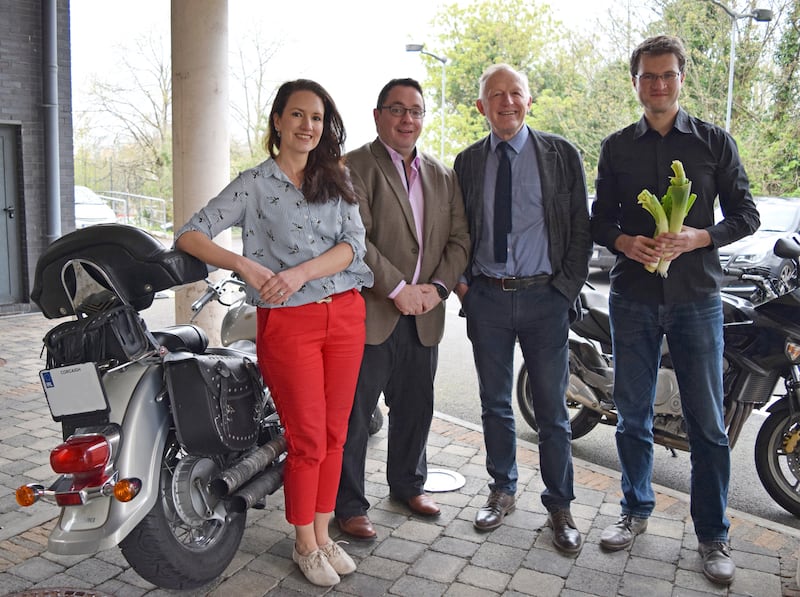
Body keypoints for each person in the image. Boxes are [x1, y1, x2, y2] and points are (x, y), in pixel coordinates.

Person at [175, 79, 374, 587]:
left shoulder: (337, 177)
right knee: (307, 437)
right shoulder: (253, 185)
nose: (309, 126)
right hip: (290, 325)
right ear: (278, 122)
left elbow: (354, 244)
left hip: (346, 315)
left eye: (317, 117)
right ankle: (304, 542)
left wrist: (301, 273)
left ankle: (325, 533)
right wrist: (244, 264)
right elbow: (191, 233)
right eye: (298, 115)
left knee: (337, 433)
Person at [591, 35, 760, 586]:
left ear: (681, 79)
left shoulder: (714, 142)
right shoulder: (617, 147)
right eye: (647, 76)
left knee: (708, 424)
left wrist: (700, 237)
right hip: (632, 299)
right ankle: (635, 510)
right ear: (635, 81)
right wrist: (624, 244)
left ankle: (713, 535)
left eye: (667, 75)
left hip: (696, 300)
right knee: (631, 415)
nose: (657, 85)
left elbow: (748, 214)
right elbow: (600, 219)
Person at [453, 64, 591, 554]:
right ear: (481, 106)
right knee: (494, 404)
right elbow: (458, 229)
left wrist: (564, 291)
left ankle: (560, 504)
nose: (506, 102)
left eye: (515, 94)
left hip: (544, 299)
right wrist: (465, 287)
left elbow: (580, 226)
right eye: (495, 95)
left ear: (529, 101)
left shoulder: (559, 154)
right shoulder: (467, 161)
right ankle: (502, 489)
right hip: (487, 297)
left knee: (553, 410)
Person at [334, 78, 470, 540]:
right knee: (356, 414)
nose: (407, 119)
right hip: (373, 313)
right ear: (377, 116)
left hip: (426, 313)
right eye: (397, 109)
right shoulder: (353, 167)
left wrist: (436, 287)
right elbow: (356, 240)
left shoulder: (442, 174)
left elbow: (459, 240)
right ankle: (349, 504)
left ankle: (408, 484)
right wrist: (397, 289)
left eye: (416, 110)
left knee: (416, 407)